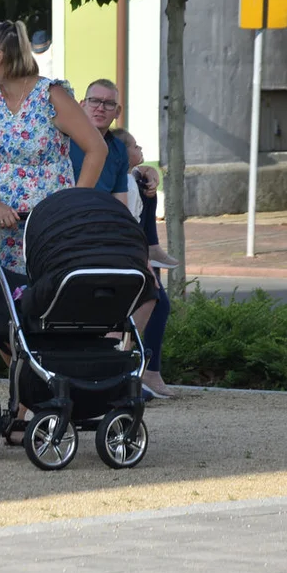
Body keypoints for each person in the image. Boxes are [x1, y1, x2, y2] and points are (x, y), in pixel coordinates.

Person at [0, 20, 106, 294]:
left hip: (47, 223)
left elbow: (97, 149)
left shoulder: (51, 95)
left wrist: (71, 207)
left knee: (48, 297)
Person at [113, 128, 179, 399]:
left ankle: (140, 372)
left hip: (134, 247)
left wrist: (145, 172)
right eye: (136, 146)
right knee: (153, 303)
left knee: (155, 304)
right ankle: (132, 373)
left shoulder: (132, 179)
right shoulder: (125, 183)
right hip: (127, 250)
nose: (141, 150)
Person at [69, 78, 130, 205]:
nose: (101, 108)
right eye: (95, 101)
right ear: (82, 105)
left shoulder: (118, 148)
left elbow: (120, 200)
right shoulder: (63, 141)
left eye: (109, 103)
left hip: (101, 218)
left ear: (117, 112)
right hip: (63, 214)